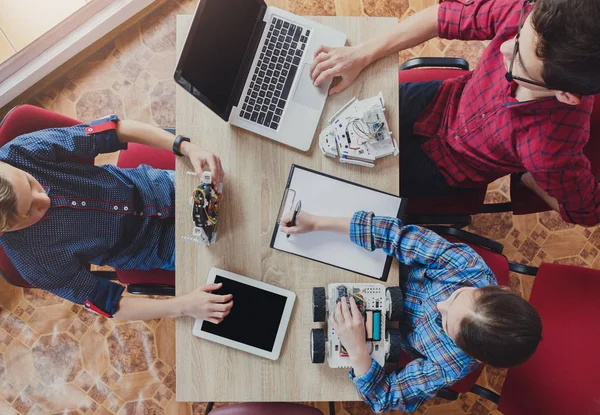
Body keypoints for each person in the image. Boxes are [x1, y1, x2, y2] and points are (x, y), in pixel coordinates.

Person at [309, 0, 600, 226]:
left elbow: (585, 212)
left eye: (519, 65)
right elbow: (443, 16)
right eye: (519, 35)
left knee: (341, 191)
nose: (504, 49)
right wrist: (362, 54)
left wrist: (535, 176)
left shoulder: (552, 150)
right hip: (439, 101)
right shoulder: (532, 15)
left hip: (448, 168)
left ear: (565, 96)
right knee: (326, 116)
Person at [280, 209, 542, 413]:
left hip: (386, 335)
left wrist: (357, 350)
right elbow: (396, 236)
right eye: (457, 295)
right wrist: (316, 223)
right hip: (383, 268)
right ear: (498, 290)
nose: (441, 305)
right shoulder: (467, 267)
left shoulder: (451, 365)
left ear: (471, 355)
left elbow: (385, 397)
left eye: (446, 321)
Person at [0, 115, 233, 322]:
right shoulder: (32, 261)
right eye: (29, 212)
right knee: (239, 259)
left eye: (30, 182)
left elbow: (115, 129)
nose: (44, 199)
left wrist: (184, 147)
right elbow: (109, 304)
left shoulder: (19, 153)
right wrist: (184, 306)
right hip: (162, 248)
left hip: (159, 186)